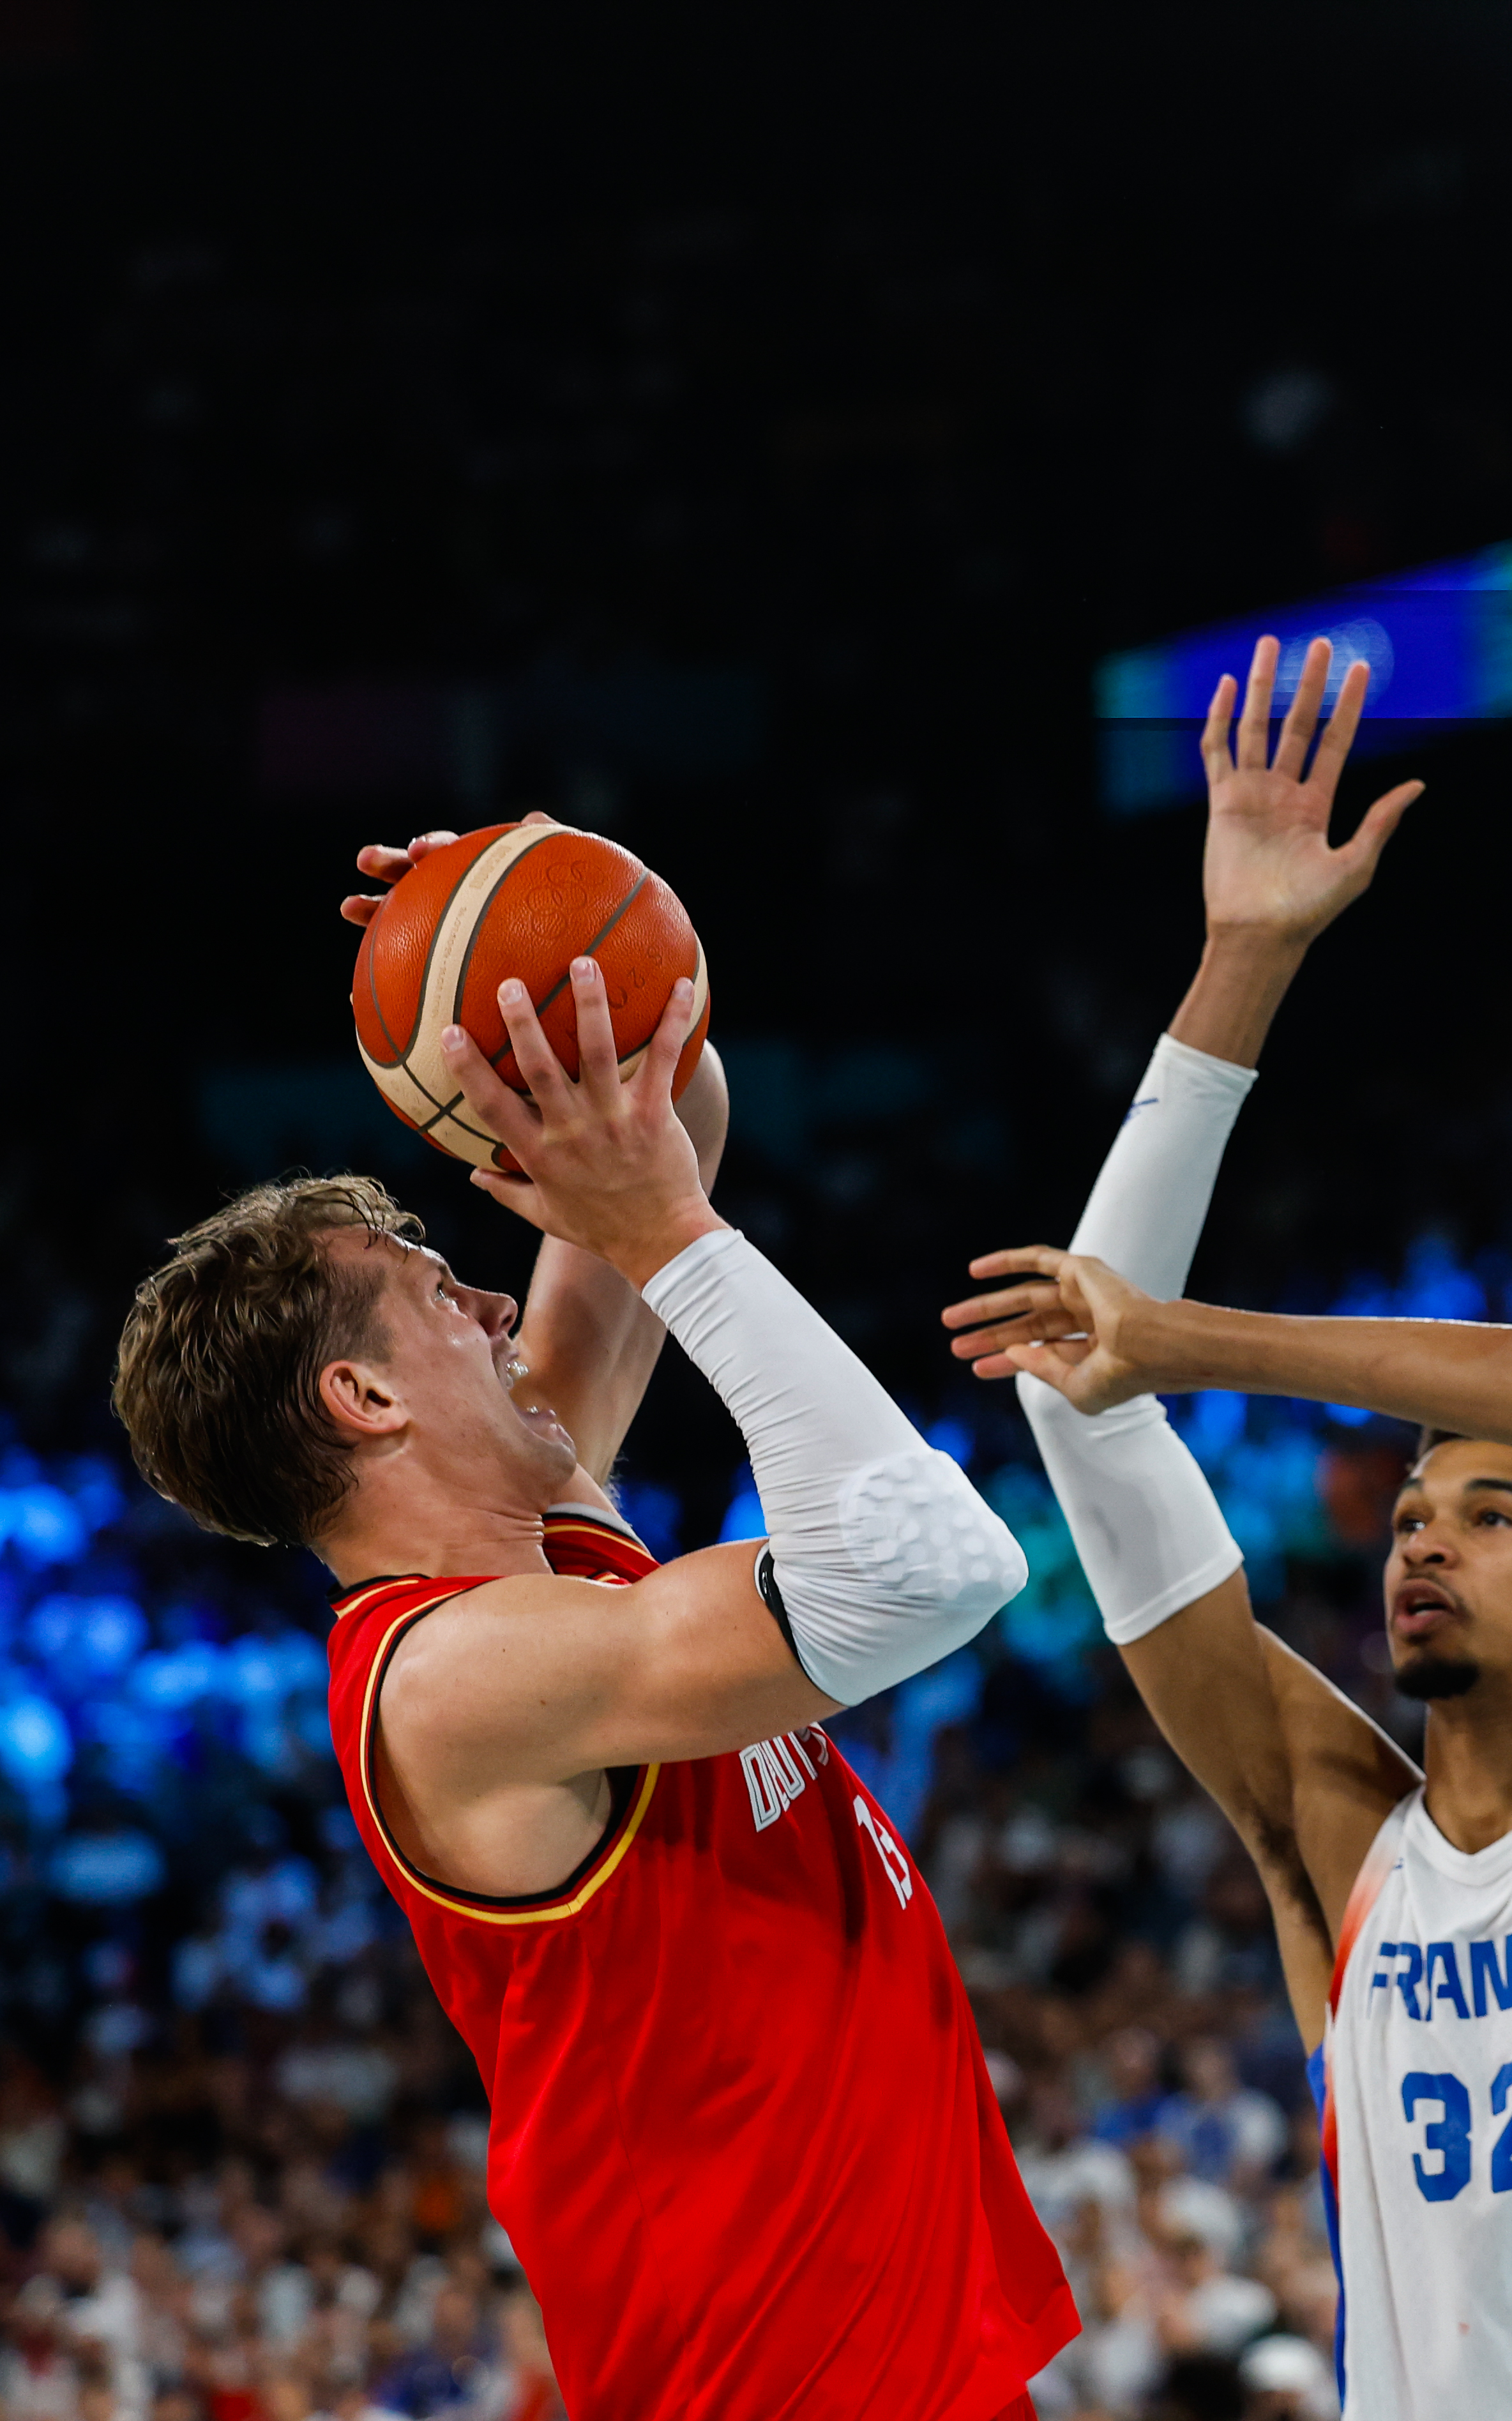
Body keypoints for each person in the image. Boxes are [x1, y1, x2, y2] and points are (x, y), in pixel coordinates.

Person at [948, 639, 1512, 2417]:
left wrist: (1191, 1340)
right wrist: (1239, 964)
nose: (1417, 1540)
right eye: (1411, 1510)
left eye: (1489, 1507)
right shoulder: (1339, 1842)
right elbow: (1072, 1383)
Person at [109, 827, 1074, 2419]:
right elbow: (930, 1569)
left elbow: (667, 1109)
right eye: (435, 1293)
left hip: (891, 2361)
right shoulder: (455, 1678)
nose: (489, 1300)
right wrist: (681, 1240)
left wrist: (529, 932)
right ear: (359, 1398)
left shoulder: (543, 1505)